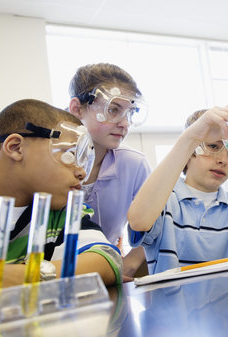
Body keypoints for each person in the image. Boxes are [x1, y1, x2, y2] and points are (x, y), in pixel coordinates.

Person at [0, 99, 122, 289]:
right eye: (70, 154)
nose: (81, 172)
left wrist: (29, 275)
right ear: (15, 147)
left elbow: (108, 261)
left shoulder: (62, 211)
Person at [127, 104, 228, 274]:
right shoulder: (165, 201)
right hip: (175, 300)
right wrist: (190, 137)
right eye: (213, 146)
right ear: (190, 150)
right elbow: (138, 221)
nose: (223, 159)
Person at [67, 63, 151, 278]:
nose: (124, 124)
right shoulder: (50, 161)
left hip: (109, 273)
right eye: (113, 110)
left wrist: (127, 265)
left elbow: (157, 228)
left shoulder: (133, 164)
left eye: (130, 113)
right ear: (77, 109)